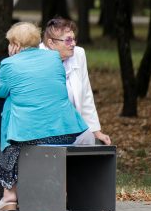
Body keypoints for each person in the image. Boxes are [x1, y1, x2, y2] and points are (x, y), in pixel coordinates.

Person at [0, 22, 89, 211]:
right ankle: (57, 194)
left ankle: (9, 196)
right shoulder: (54, 58)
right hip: (64, 131)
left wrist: (12, 61)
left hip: (29, 133)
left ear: (15, 44)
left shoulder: (9, 63)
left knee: (9, 145)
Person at [42, 17, 112, 146]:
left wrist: (96, 131)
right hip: (45, 127)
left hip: (71, 126)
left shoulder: (78, 54)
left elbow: (86, 95)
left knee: (88, 140)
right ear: (51, 43)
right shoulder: (37, 56)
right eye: (68, 40)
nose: (73, 44)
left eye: (74, 39)